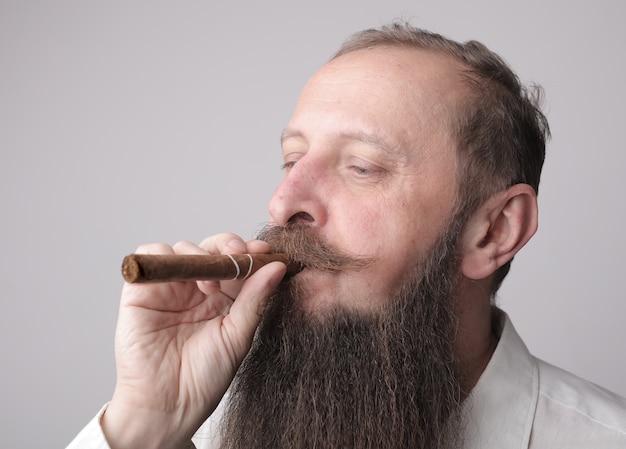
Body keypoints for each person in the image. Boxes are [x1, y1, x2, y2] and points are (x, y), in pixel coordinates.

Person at [67, 23, 626, 449]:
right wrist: (144, 423)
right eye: (291, 159)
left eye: (361, 167)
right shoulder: (197, 432)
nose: (283, 203)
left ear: (492, 232)